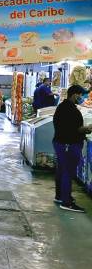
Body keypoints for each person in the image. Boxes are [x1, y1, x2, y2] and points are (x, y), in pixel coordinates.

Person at [52, 85, 92, 213]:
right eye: (81, 95)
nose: (82, 97)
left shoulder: (63, 107)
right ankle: (67, 202)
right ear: (74, 95)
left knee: (62, 170)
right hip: (68, 145)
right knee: (68, 172)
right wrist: (87, 129)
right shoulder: (69, 110)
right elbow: (74, 129)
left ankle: (60, 196)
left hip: (61, 143)